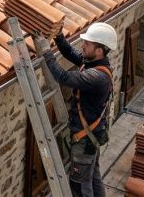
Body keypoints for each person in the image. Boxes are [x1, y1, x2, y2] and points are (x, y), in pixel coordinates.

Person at [35, 22, 117, 197]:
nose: (83, 45)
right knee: (93, 179)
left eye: (88, 43)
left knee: (80, 187)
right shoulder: (94, 63)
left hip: (85, 140)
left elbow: (63, 77)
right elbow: (71, 53)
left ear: (99, 50)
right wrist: (58, 37)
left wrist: (46, 52)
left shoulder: (97, 76)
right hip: (91, 137)